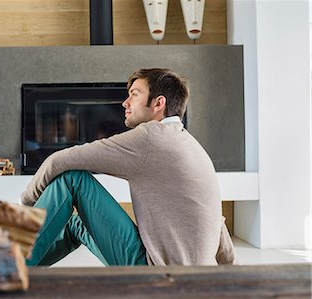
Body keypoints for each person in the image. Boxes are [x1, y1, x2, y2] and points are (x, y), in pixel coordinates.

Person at [21, 68, 236, 266]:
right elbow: (218, 223)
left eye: (134, 94)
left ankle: (9, 271)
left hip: (154, 273)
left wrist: (29, 202)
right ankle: (23, 269)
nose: (125, 102)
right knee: (78, 225)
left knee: (72, 179)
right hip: (188, 280)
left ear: (158, 103)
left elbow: (59, 161)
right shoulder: (192, 146)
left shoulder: (151, 137)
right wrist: (227, 276)